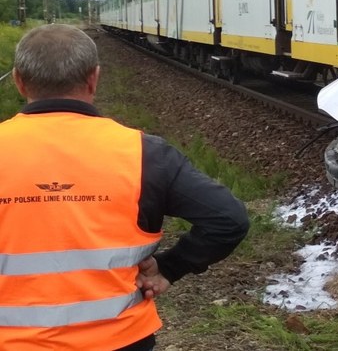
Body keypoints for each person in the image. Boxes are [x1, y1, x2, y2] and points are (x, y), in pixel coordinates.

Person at [0, 24, 250, 350]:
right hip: (121, 339)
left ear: (19, 81)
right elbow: (228, 219)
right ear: (94, 78)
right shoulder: (146, 153)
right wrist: (169, 267)